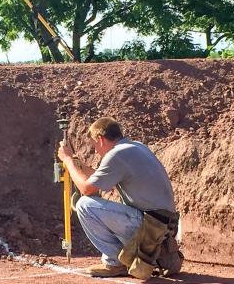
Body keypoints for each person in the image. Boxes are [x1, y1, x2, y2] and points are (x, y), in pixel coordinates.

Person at [57, 117, 178, 278]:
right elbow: (97, 176)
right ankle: (153, 252)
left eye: (94, 146)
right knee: (96, 204)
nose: (96, 151)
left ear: (100, 139)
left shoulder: (116, 155)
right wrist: (76, 162)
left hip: (150, 225)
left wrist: (67, 160)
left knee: (85, 205)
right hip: (162, 226)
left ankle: (114, 263)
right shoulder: (135, 147)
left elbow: (86, 189)